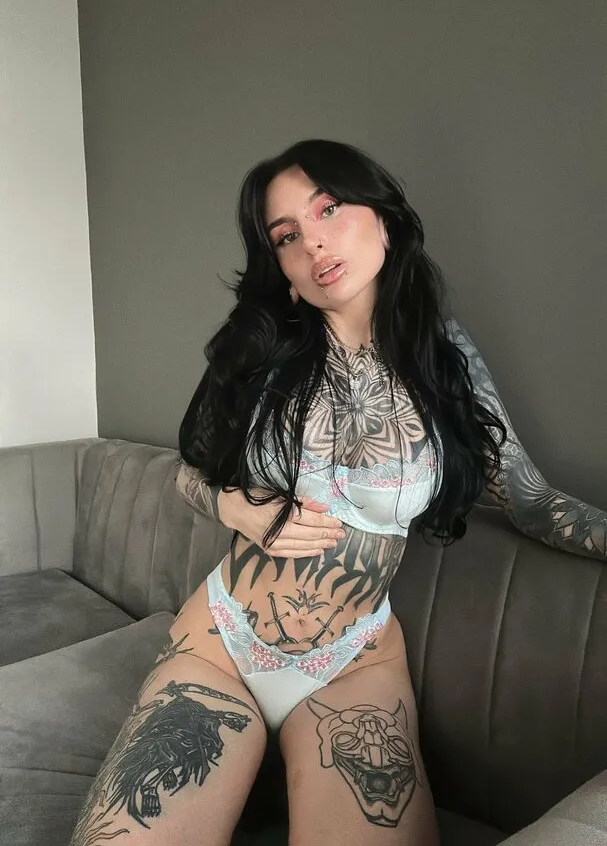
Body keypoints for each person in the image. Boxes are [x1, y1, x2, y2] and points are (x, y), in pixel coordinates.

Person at [69, 139, 606, 846]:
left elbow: (531, 502)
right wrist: (235, 507)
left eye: (328, 209)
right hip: (220, 641)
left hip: (351, 662)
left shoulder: (443, 359)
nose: (313, 241)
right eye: (286, 235)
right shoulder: (263, 349)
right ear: (283, 267)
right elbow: (191, 469)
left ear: (385, 218)